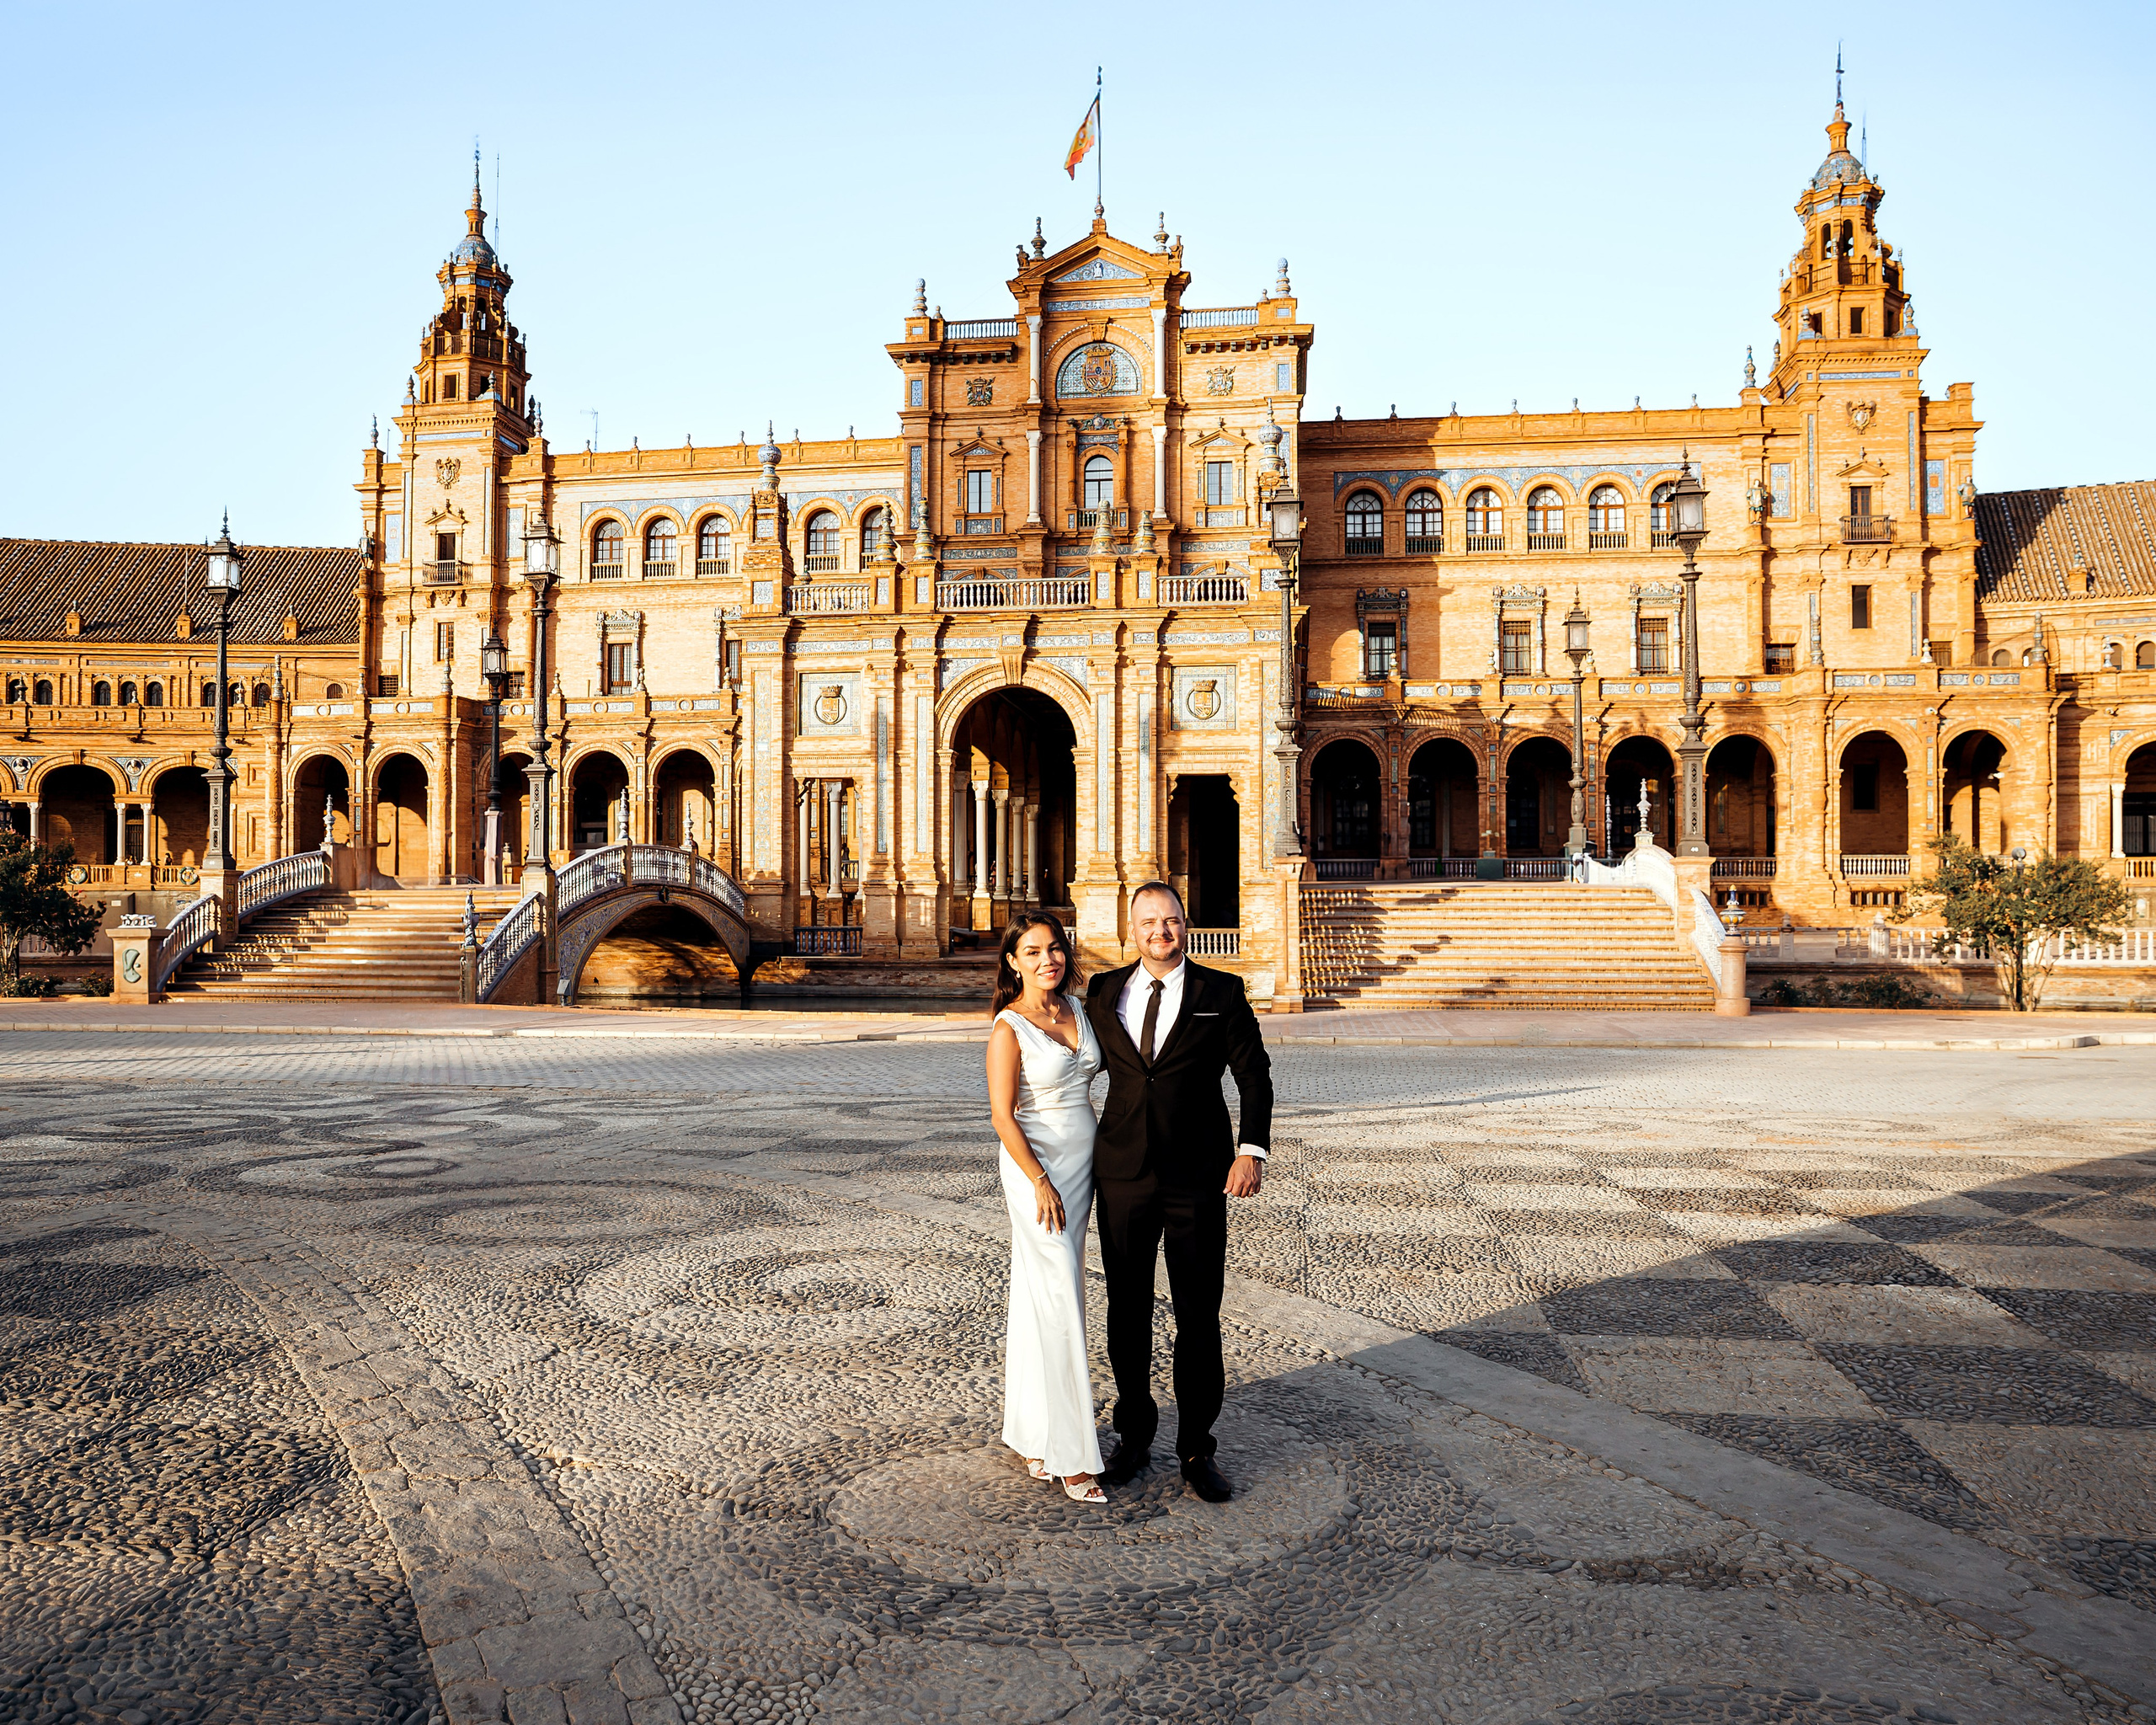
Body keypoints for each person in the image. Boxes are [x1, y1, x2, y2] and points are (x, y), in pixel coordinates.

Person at [1084, 881, 1273, 1502]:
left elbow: (1254, 1075)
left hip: (1198, 1175)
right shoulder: (1104, 991)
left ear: (1185, 925)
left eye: (1169, 921)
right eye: (1147, 923)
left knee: (1198, 1315)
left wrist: (1250, 1149)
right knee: (1126, 1311)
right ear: (1130, 931)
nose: (1159, 932)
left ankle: (1197, 1449)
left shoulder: (1222, 991)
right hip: (1122, 1175)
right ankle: (1133, 1438)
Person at [985, 911, 1106, 1502]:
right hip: (1037, 1172)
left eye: (1054, 949)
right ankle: (1073, 1453)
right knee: (1060, 1295)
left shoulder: (1079, 1009)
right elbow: (1002, 1116)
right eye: (1032, 952)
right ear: (1013, 962)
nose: (1046, 960)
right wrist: (1038, 1179)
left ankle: (1033, 1435)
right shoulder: (1009, 1027)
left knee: (1041, 1297)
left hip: (1083, 1169)